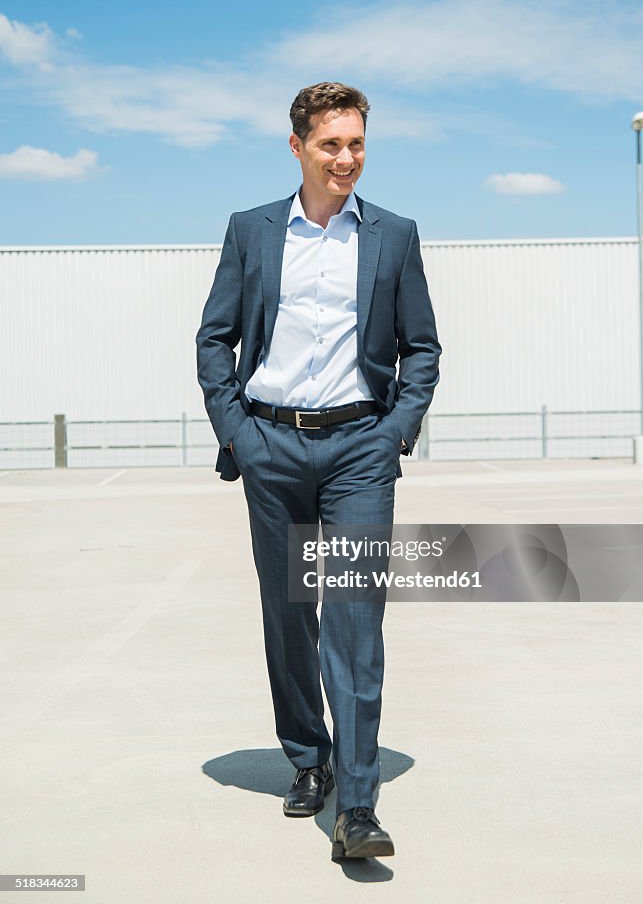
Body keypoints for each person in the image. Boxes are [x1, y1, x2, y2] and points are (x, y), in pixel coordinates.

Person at [196, 81, 440, 860]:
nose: (347, 158)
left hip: (359, 453)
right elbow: (216, 338)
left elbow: (422, 348)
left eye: (358, 143)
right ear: (297, 145)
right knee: (290, 616)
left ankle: (359, 807)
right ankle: (308, 757)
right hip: (271, 448)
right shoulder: (252, 231)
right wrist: (237, 432)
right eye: (332, 144)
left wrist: (394, 430)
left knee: (356, 620)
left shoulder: (394, 236)